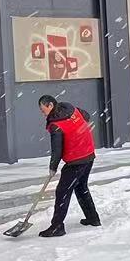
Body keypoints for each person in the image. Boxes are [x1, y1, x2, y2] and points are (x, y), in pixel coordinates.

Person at [37, 94, 100, 237]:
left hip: (76, 160)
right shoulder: (70, 109)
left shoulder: (55, 125)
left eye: (43, 110)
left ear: (50, 105)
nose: (42, 114)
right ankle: (93, 218)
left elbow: (57, 150)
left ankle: (57, 227)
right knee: (81, 187)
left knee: (62, 192)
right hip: (89, 154)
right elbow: (86, 116)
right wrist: (77, 131)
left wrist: (53, 167)